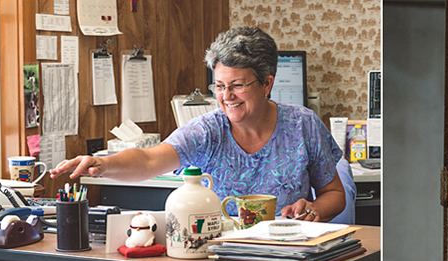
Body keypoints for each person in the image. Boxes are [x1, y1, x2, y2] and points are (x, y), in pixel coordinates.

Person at [50, 27, 345, 222]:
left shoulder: (303, 125)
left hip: (288, 252)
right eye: (218, 86)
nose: (226, 97)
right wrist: (103, 164)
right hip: (220, 254)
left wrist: (314, 209)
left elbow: (335, 195)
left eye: (237, 86)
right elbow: (150, 159)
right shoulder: (207, 130)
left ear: (266, 83)